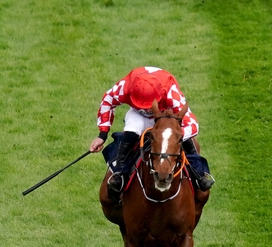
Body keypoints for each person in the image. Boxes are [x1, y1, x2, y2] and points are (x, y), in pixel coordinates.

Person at [88, 66, 214, 200]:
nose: (146, 110)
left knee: (183, 137)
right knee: (132, 129)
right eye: (142, 105)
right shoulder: (125, 87)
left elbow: (192, 124)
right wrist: (102, 134)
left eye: (148, 106)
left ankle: (199, 174)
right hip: (137, 115)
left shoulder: (170, 91)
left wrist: (172, 135)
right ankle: (119, 175)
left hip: (165, 115)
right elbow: (107, 101)